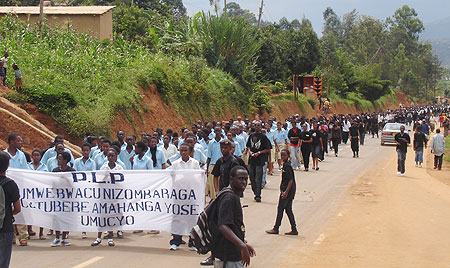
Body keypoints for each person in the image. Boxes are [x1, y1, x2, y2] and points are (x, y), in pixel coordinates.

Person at [211, 166, 256, 267]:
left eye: (245, 179)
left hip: (231, 252)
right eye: (240, 179)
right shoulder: (229, 198)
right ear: (231, 179)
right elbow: (223, 226)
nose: (244, 182)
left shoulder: (232, 195)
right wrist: (242, 245)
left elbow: (233, 227)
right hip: (228, 255)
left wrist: (243, 244)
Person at [169, 143, 200, 251]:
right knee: (178, 218)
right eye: (181, 150)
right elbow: (172, 178)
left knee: (192, 218)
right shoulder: (175, 164)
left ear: (190, 151)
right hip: (179, 196)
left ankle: (192, 243)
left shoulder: (195, 163)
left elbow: (197, 178)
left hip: (191, 195)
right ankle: (176, 241)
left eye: (185, 150)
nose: (183, 152)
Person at [91, 149, 123, 247]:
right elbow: (99, 181)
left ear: (116, 157)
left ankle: (110, 237)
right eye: (109, 156)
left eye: (112, 156)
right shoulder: (103, 167)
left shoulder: (119, 168)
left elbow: (121, 182)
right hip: (104, 196)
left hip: (114, 196)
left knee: (111, 217)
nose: (110, 158)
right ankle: (98, 237)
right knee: (102, 217)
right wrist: (105, 175)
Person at [265, 149, 297, 235]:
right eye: (281, 155)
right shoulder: (285, 165)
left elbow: (291, 180)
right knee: (288, 210)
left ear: (288, 156)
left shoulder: (287, 166)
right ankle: (294, 229)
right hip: (287, 190)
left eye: (284, 155)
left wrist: (286, 192)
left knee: (280, 209)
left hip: (288, 191)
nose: (282, 157)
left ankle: (276, 228)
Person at [3, 133, 28, 246]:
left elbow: (26, 171)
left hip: (18, 187)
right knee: (7, 208)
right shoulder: (3, 154)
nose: (20, 143)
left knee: (19, 209)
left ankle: (23, 235)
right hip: (5, 186)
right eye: (18, 141)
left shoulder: (21, 155)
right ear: (12, 142)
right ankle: (12, 235)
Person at [0, 151, 21, 268]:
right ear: (7, 165)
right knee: (3, 261)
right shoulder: (10, 184)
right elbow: (17, 208)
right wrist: (7, 213)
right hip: (5, 227)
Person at [50, 152, 75, 247]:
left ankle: (64, 238)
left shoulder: (71, 171)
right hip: (57, 198)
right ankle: (57, 237)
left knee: (66, 218)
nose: (58, 160)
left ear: (65, 160)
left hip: (67, 199)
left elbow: (73, 184)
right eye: (58, 158)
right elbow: (52, 183)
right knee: (57, 218)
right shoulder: (55, 171)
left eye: (60, 159)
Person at [246, 122, 271, 203]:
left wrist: (259, 153)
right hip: (252, 159)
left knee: (258, 178)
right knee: (252, 177)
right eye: (255, 125)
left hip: (260, 160)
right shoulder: (251, 136)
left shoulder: (263, 137)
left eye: (258, 125)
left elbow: (268, 149)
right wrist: (250, 153)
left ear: (261, 126)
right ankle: (255, 191)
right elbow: (248, 146)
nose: (257, 127)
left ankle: (258, 195)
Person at [206, 127, 223, 200]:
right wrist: (207, 168)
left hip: (222, 165)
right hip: (213, 165)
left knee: (221, 183)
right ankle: (213, 199)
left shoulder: (224, 142)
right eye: (216, 131)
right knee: (212, 184)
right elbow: (209, 156)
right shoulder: (211, 143)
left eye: (219, 130)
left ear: (221, 131)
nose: (217, 132)